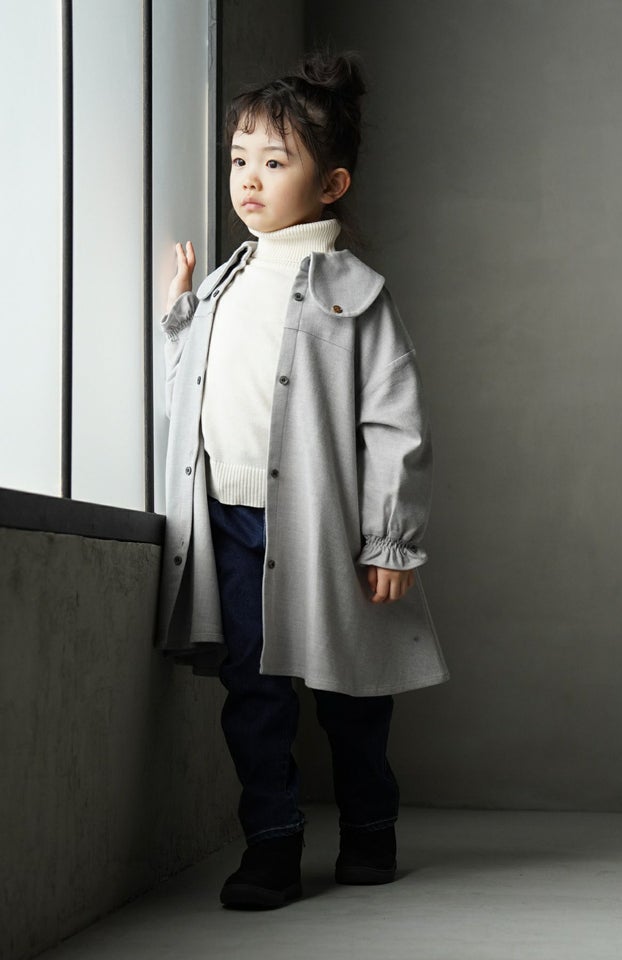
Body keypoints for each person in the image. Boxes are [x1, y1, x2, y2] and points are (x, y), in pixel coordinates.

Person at [156, 50, 448, 910]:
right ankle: (272, 844)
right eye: (239, 158)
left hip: (324, 525)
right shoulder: (225, 284)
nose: (248, 180)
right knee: (253, 690)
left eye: (274, 162)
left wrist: (390, 537)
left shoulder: (357, 294)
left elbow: (395, 420)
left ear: (331, 185)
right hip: (231, 518)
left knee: (349, 688)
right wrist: (181, 314)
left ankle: (370, 828)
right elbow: (200, 388)